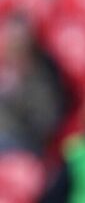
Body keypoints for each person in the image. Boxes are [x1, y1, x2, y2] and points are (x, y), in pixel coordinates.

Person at [0, 12, 70, 154]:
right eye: (11, 37)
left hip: (22, 140)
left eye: (20, 38)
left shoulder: (42, 76)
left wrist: (18, 94)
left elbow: (46, 122)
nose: (15, 43)